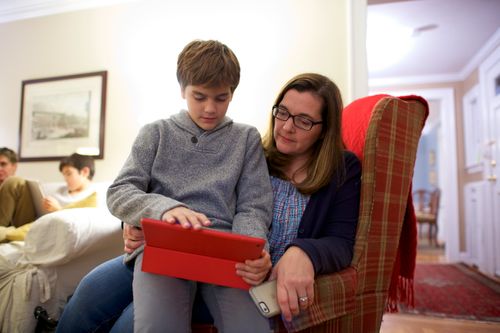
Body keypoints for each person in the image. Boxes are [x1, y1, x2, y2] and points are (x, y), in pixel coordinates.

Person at [56, 72, 361, 332]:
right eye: (282, 112)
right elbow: (142, 191)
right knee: (86, 295)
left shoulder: (341, 170)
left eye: (304, 121)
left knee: (128, 323)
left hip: (237, 269)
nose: (287, 126)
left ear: (325, 129)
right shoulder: (258, 153)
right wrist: (132, 223)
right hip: (174, 248)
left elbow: (340, 241)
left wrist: (302, 252)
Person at [59, 40, 274, 333]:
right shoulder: (156, 133)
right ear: (182, 90)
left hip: (223, 254)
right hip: (162, 247)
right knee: (148, 322)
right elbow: (120, 192)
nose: (210, 108)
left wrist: (249, 250)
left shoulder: (246, 139)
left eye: (221, 98)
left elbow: (254, 205)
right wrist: (164, 208)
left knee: (252, 327)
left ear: (232, 94)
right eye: (199, 97)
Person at [0, 152, 96, 228]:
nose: (65, 178)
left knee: (12, 180)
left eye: (68, 173)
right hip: (34, 218)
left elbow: (82, 224)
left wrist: (58, 210)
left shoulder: (93, 196)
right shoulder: (60, 189)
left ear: (84, 172)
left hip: (48, 225)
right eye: (64, 175)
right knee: (15, 182)